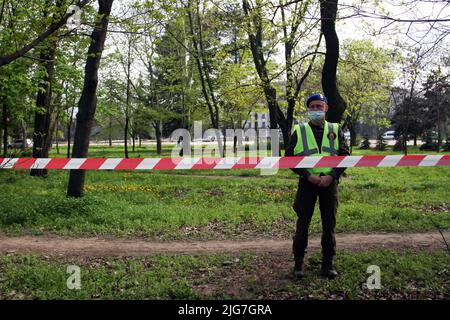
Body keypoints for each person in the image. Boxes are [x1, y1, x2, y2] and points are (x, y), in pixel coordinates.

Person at [285, 93, 350, 280]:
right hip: (308, 183)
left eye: (319, 106)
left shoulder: (336, 129)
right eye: (312, 107)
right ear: (308, 109)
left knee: (329, 224)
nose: (316, 110)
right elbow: (289, 158)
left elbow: (345, 155)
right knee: (302, 223)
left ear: (326, 108)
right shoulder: (300, 130)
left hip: (330, 183)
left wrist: (332, 176)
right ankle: (298, 264)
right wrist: (308, 176)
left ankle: (327, 264)